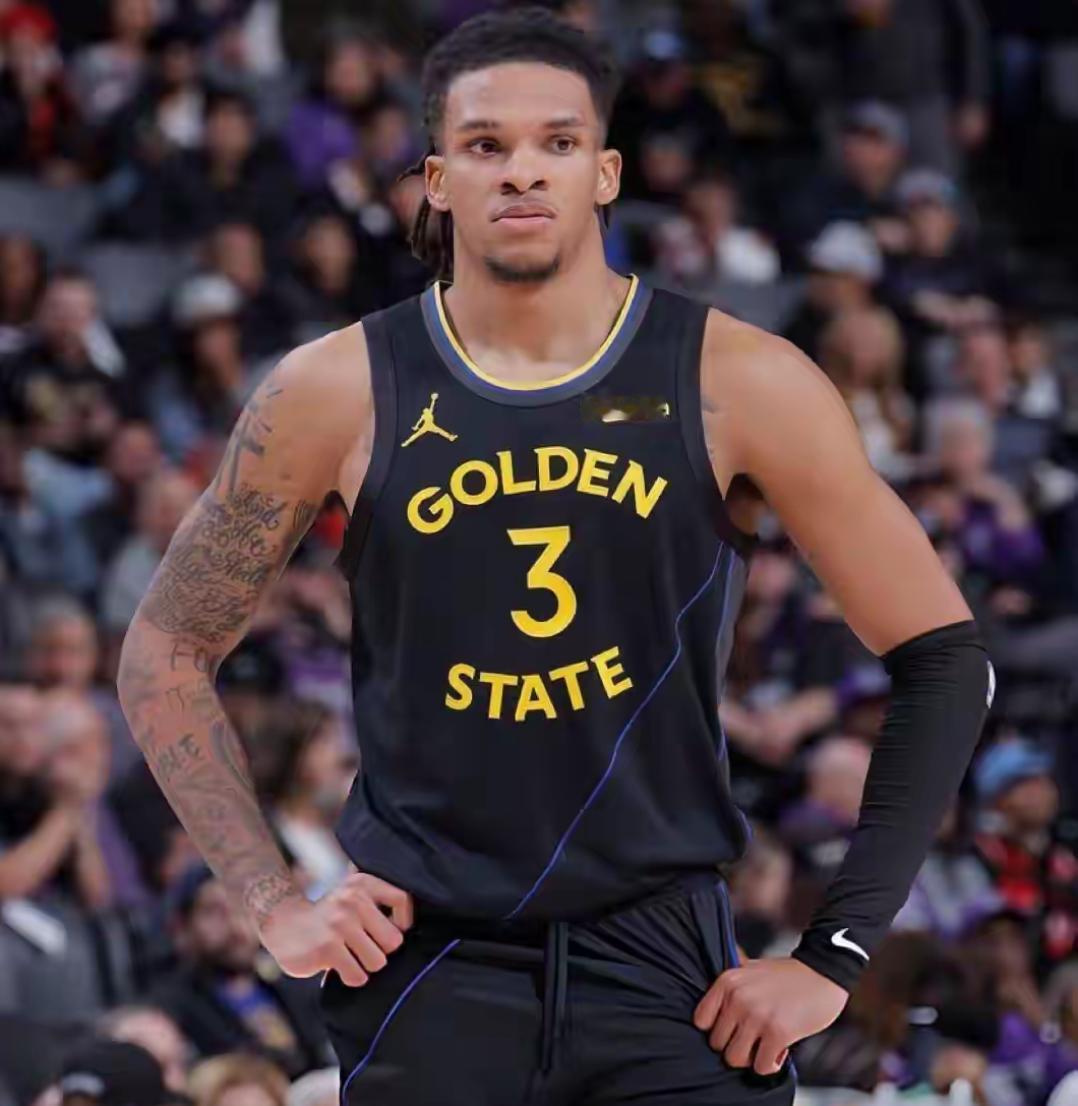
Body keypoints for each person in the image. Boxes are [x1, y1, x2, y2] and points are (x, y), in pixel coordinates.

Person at [118, 9, 993, 1104]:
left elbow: (945, 655)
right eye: (486, 144)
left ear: (606, 173)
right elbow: (163, 649)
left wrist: (835, 953)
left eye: (559, 142)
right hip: (426, 965)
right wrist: (272, 900)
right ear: (438, 179)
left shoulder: (741, 379)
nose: (523, 170)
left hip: (670, 970)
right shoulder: (332, 389)